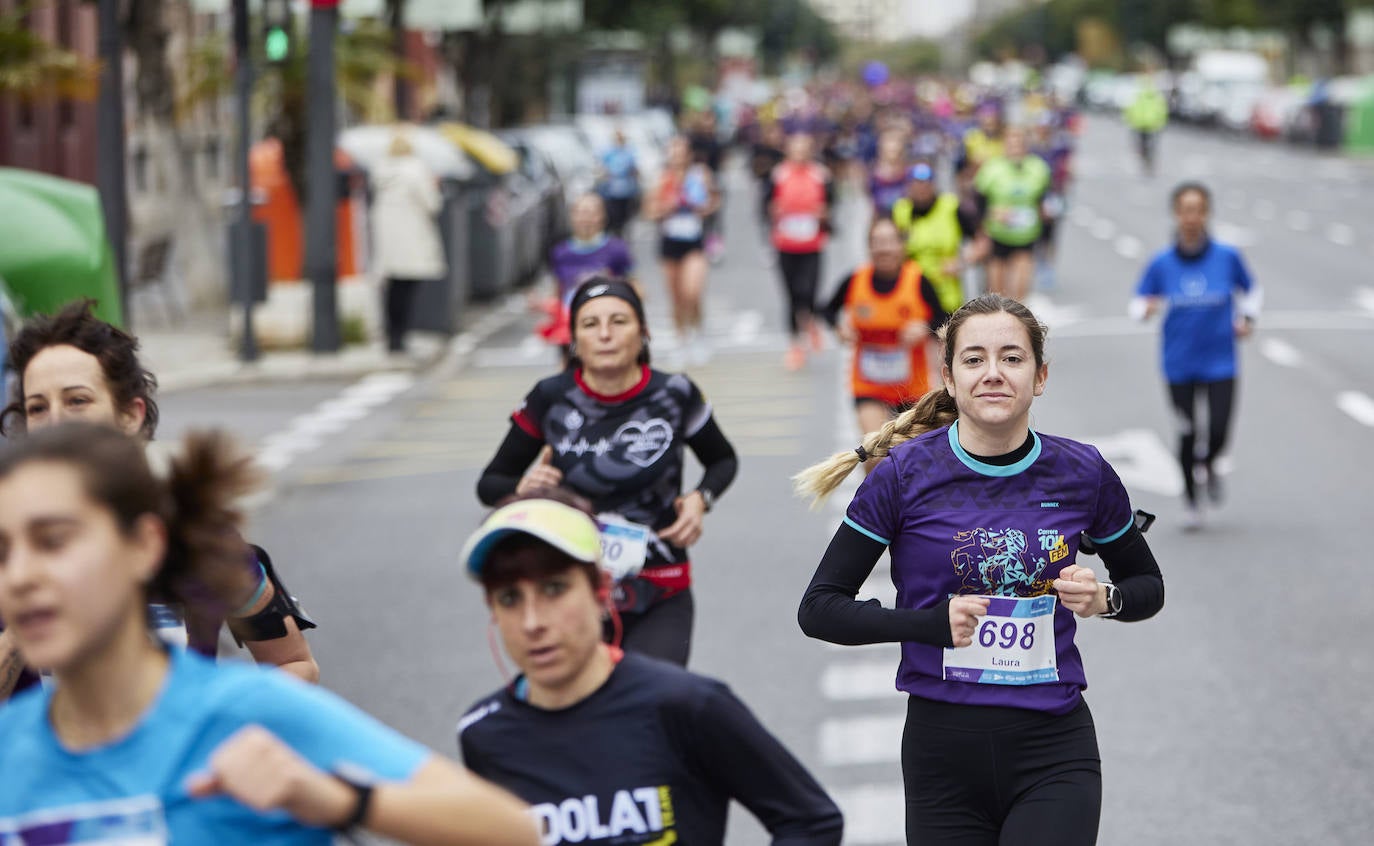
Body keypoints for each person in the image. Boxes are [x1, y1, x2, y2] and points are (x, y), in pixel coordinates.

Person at [0, 423, 540, 844]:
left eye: (53, 542)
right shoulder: (10, 750)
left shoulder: (247, 716)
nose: (21, 576)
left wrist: (336, 800)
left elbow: (511, 830)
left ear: (143, 545)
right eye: (3, 551)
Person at [793, 294, 1165, 845]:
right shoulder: (901, 476)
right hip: (942, 752)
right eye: (974, 359)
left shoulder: (1082, 471)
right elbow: (819, 609)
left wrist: (1105, 599)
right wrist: (927, 624)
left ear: (1040, 377)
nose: (993, 373)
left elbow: (1148, 587)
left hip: (1053, 747)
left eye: (1012, 358)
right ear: (947, 377)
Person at [457, 491, 845, 846]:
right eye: (509, 598)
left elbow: (811, 821)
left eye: (554, 589)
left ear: (601, 591)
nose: (532, 622)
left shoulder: (687, 705)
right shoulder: (484, 734)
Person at [0, 301, 318, 700]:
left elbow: (293, 664)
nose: (56, 422)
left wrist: (212, 726)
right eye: (38, 407)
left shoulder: (201, 537)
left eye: (77, 400)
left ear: (130, 414)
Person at [476, 278, 738, 666]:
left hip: (659, 587)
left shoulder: (675, 393)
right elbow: (490, 483)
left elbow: (723, 460)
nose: (605, 335)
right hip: (573, 593)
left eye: (618, 321)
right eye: (589, 324)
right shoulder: (550, 398)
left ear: (643, 332)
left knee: (653, 705)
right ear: (574, 340)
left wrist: (701, 499)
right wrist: (523, 486)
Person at [1131, 182, 1259, 530]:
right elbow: (1137, 302)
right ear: (1176, 214)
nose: (1191, 217)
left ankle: (1210, 463)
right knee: (1187, 434)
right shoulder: (1162, 262)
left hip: (1221, 362)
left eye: (1197, 210)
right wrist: (1148, 307)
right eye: (1185, 210)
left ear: (1206, 214)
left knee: (1218, 432)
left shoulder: (1227, 257)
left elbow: (1251, 291)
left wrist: (1247, 320)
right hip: (1178, 364)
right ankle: (1191, 499)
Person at [822, 218, 948, 473]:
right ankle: (876, 508)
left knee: (914, 462)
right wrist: (839, 328)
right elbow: (827, 309)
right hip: (870, 383)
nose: (884, 249)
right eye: (877, 242)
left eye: (890, 242)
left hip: (911, 388)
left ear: (901, 246)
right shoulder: (856, 280)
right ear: (869, 247)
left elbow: (945, 318)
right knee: (874, 454)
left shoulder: (918, 280)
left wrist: (923, 326)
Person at [371, 130, 447, 356]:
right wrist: (434, 186)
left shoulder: (380, 171)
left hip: (388, 238)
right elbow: (432, 204)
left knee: (392, 288)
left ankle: (391, 335)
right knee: (408, 289)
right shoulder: (416, 170)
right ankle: (400, 335)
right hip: (412, 236)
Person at [537, 194, 635, 361]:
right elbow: (557, 289)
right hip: (571, 323)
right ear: (572, 216)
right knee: (568, 374)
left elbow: (635, 287)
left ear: (602, 216)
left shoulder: (616, 249)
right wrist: (548, 306)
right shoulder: (560, 252)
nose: (585, 218)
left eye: (591, 212)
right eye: (580, 213)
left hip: (606, 325)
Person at [649, 135, 718, 367]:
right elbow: (649, 211)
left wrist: (701, 206)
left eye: (681, 151)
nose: (677, 156)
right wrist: (667, 207)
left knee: (692, 292)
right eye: (673, 152)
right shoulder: (662, 179)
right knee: (676, 297)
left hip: (693, 241)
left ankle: (698, 334)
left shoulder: (700, 175)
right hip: (670, 242)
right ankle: (682, 341)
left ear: (688, 154)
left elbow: (713, 203)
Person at [770, 131, 833, 371]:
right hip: (785, 242)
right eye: (795, 149)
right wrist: (773, 210)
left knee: (808, 291)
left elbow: (831, 203)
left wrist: (824, 213)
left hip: (811, 242)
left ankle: (810, 323)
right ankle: (796, 343)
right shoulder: (779, 174)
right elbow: (765, 204)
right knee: (792, 294)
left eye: (804, 149)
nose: (800, 154)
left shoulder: (820, 175)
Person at [891, 162, 985, 315]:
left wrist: (962, 262)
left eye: (926, 183)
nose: (922, 188)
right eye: (917, 184)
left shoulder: (950, 207)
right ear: (909, 186)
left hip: (946, 293)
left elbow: (982, 242)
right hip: (910, 291)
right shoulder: (900, 210)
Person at [975, 126, 1051, 302]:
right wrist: (986, 223)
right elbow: (979, 201)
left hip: (1026, 237)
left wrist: (1043, 221)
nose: (1016, 149)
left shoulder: (1038, 168)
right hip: (998, 236)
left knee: (1019, 298)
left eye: (1020, 144)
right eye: (1011, 144)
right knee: (997, 298)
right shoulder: (992, 168)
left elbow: (1042, 200)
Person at [598, 128, 639, 237]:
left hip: (626, 190)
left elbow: (634, 169)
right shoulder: (609, 153)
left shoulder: (629, 152)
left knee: (624, 215)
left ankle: (621, 232)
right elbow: (602, 169)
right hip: (612, 190)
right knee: (612, 214)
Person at [1124, 77, 1168, 177]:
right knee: (1147, 147)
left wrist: (1130, 120)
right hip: (1148, 125)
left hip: (1144, 125)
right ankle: (1148, 162)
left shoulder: (1138, 97)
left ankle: (1148, 162)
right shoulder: (1154, 97)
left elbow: (1130, 110)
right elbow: (1162, 111)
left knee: (1145, 147)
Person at [868, 129, 911, 219]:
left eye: (896, 144)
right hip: (882, 222)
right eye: (888, 144)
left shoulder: (909, 173)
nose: (892, 148)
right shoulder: (873, 175)